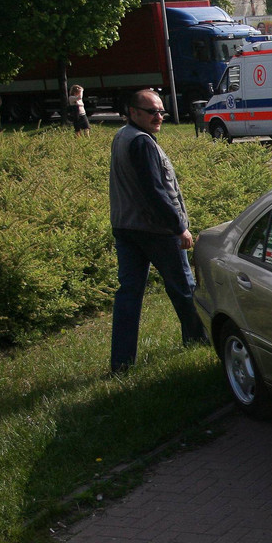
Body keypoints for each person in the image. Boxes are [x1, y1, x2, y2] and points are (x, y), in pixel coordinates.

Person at [108, 89, 206, 373]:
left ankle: (121, 363)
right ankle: (197, 341)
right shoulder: (142, 143)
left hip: (125, 228)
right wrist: (180, 228)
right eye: (152, 112)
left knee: (128, 294)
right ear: (133, 111)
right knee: (184, 288)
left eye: (161, 112)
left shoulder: (122, 136)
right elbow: (156, 192)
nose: (158, 117)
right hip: (155, 230)